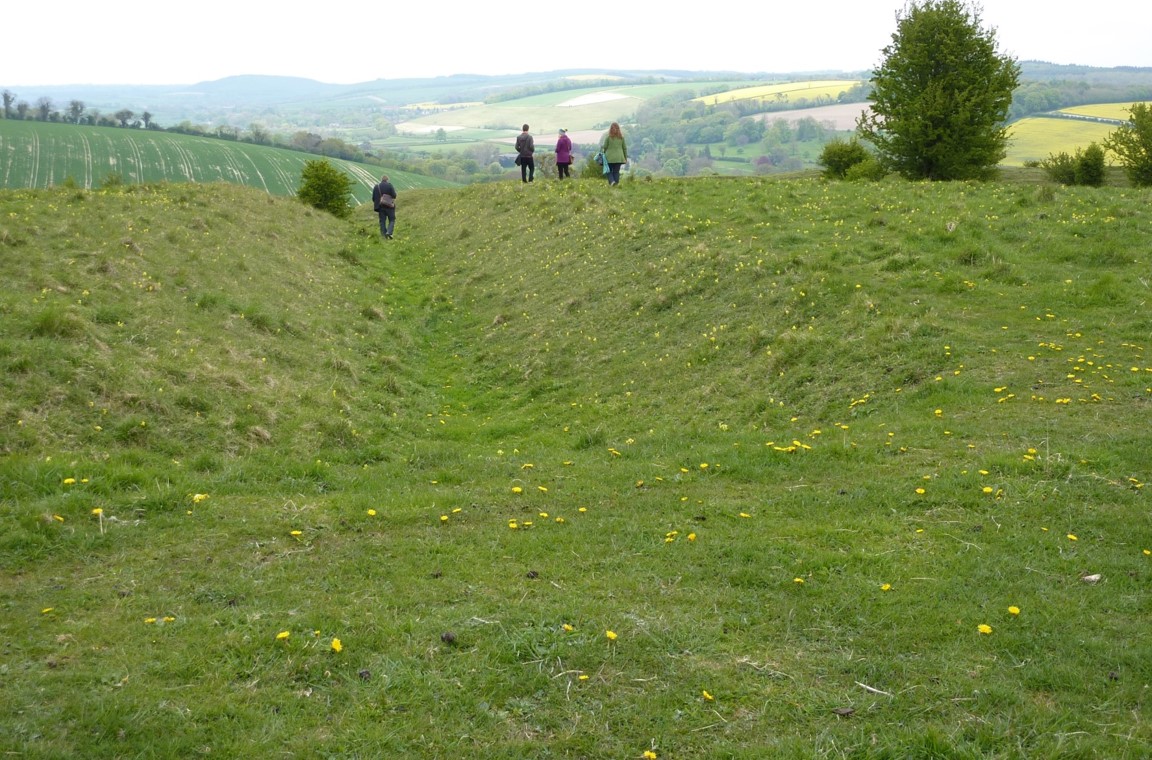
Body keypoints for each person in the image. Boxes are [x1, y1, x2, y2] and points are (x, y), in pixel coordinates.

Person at [372, 174, 397, 239]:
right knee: (392, 219)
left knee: (382, 221)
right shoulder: (389, 185)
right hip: (389, 206)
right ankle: (389, 232)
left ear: (381, 179)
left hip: (380, 207)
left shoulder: (376, 186)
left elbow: (373, 198)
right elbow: (394, 195)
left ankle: (383, 235)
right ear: (387, 180)